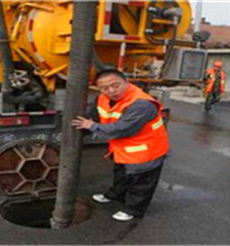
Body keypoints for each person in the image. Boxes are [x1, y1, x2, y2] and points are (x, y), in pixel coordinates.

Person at [72, 68, 169, 221]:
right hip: (122, 149)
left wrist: (91, 126)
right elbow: (96, 117)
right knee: (122, 175)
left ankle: (134, 210)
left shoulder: (141, 104)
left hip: (146, 151)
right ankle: (115, 195)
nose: (111, 90)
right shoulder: (102, 98)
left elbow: (122, 129)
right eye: (104, 88)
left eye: (115, 85)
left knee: (141, 183)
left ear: (126, 82)